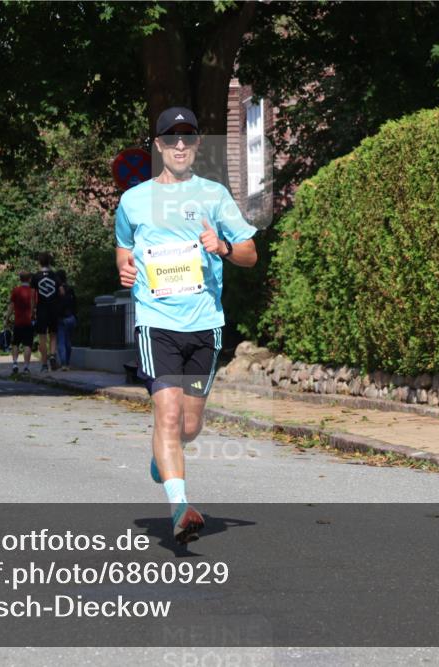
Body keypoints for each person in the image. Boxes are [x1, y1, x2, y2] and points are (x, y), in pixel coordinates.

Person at [115, 106, 258, 544]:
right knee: (168, 411)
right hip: (156, 322)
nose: (180, 145)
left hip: (204, 323)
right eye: (171, 138)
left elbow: (250, 254)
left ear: (197, 143)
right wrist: (125, 271)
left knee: (189, 426)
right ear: (157, 145)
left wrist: (225, 245)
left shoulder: (214, 195)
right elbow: (124, 252)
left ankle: (164, 457)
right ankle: (180, 508)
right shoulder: (132, 200)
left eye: (188, 137)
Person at [31, 252, 63, 372]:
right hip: (53, 309)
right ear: (49, 262)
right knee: (53, 334)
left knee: (42, 337)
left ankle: (44, 364)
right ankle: (53, 355)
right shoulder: (55, 276)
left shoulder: (35, 277)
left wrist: (33, 310)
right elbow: (62, 292)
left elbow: (33, 296)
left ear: (39, 262)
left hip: (41, 310)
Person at [4, 272, 37, 374]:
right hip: (29, 321)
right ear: (29, 279)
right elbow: (35, 306)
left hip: (18, 321)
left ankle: (14, 363)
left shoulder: (16, 290)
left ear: (20, 279)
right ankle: (26, 367)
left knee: (15, 343)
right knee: (27, 344)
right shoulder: (33, 292)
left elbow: (11, 306)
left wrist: (7, 318)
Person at [55, 270, 77, 371]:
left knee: (61, 342)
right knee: (68, 341)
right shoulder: (71, 289)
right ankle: (67, 363)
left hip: (62, 318)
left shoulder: (58, 290)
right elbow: (75, 303)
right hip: (71, 317)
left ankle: (64, 364)